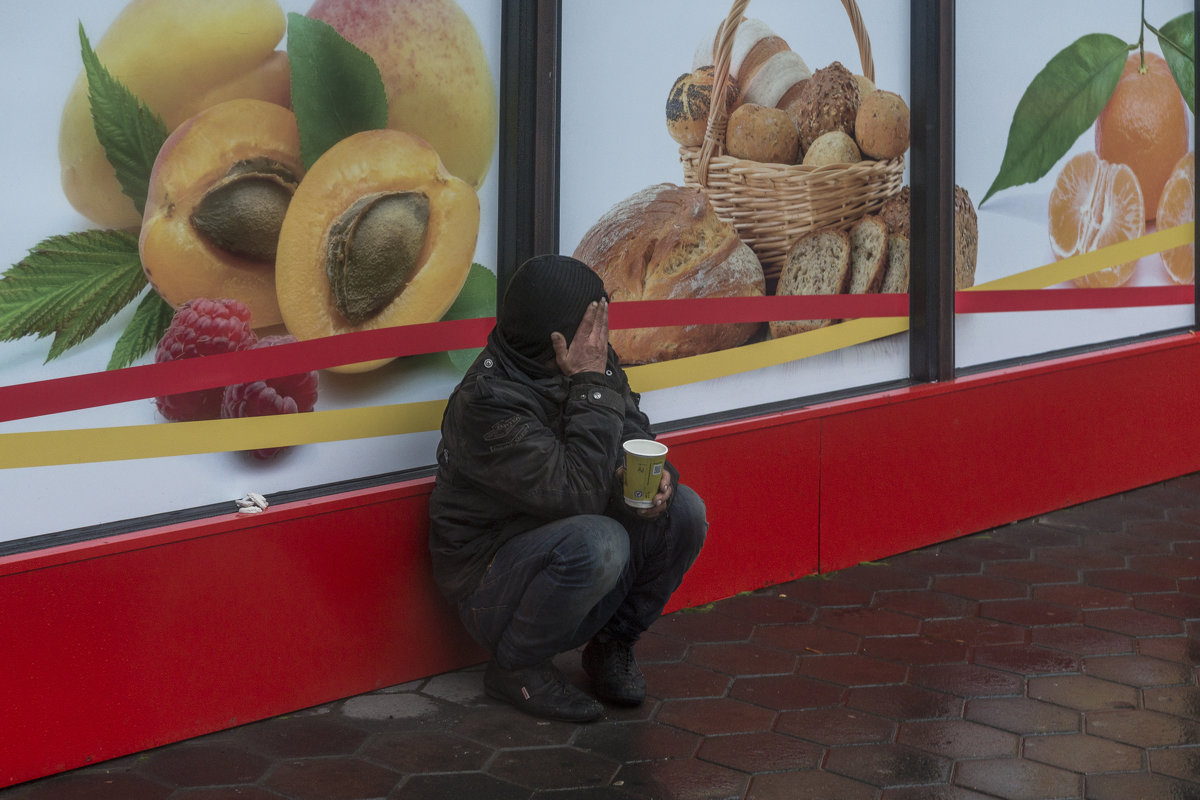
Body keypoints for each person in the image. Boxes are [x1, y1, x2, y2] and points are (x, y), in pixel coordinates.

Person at [428, 254, 708, 723]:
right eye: (591, 323)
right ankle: (516, 667)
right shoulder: (488, 401)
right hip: (490, 578)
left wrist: (655, 484)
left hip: (560, 544)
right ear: (557, 339)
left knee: (684, 512)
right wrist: (590, 386)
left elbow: (634, 433)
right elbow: (573, 492)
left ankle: (611, 645)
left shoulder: (588, 364)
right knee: (601, 541)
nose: (602, 336)